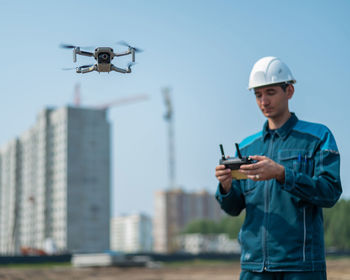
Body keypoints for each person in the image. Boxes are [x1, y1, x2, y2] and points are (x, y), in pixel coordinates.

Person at [215, 56, 342, 280]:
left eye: (270, 92)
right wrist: (225, 187)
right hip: (253, 268)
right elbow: (234, 208)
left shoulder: (318, 137)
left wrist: (283, 174)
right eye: (258, 95)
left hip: (301, 267)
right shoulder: (246, 147)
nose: (264, 101)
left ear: (289, 91)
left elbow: (330, 192)